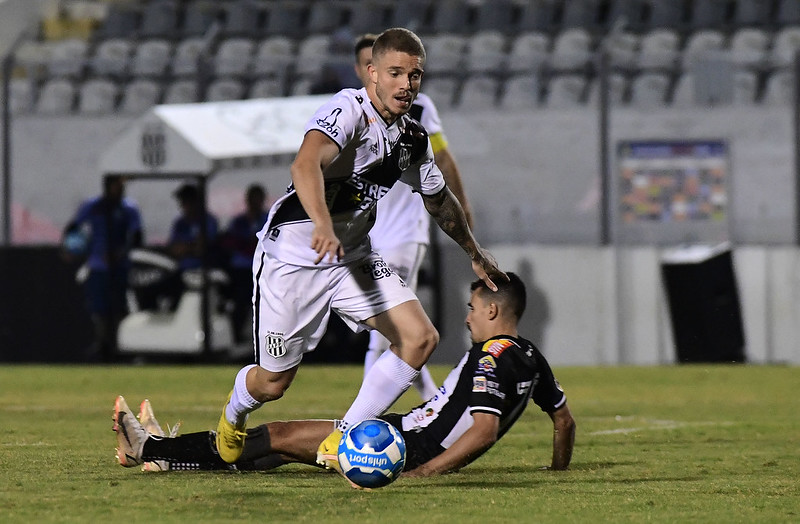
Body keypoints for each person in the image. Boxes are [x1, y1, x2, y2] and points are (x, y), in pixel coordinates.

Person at [213, 28, 507, 470]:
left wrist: (474, 249)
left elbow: (438, 198)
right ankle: (233, 415)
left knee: (420, 337)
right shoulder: (348, 110)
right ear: (372, 72)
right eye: (395, 73)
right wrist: (324, 224)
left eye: (415, 75)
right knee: (273, 383)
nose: (406, 84)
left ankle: (342, 439)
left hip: (353, 257)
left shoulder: (412, 138)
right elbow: (305, 163)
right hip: (295, 256)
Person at [113, 273, 576, 479]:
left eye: (473, 308)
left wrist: (426, 472)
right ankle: (171, 456)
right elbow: (564, 422)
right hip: (403, 433)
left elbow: (484, 428)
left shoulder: (490, 357)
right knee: (279, 453)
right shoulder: (531, 356)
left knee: (277, 434)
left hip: (404, 447)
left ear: (494, 310)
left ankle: (149, 447)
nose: (468, 316)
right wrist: (557, 474)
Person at [354, 33, 474, 401]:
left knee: (389, 329)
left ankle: (359, 421)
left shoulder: (420, 109)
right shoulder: (353, 113)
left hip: (406, 232)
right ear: (365, 69)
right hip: (367, 238)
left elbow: (442, 157)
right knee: (397, 331)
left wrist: (462, 205)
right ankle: (435, 403)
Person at [62, 175, 142, 361]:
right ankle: (103, 344)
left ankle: (124, 345)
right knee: (99, 308)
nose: (120, 189)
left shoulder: (129, 208)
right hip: (98, 266)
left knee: (121, 307)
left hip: (121, 267)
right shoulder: (93, 206)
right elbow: (74, 228)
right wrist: (69, 247)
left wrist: (120, 254)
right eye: (117, 185)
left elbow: (136, 236)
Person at [219, 184, 269, 343]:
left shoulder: (269, 219)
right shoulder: (238, 222)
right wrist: (248, 244)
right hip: (241, 270)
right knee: (240, 302)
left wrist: (248, 244)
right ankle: (236, 337)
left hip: (264, 270)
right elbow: (231, 243)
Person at [161, 183, 220, 310]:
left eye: (185, 201)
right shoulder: (180, 223)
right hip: (180, 270)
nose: (182, 205)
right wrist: (190, 246)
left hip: (201, 270)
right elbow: (173, 249)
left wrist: (185, 248)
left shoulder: (208, 221)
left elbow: (201, 249)